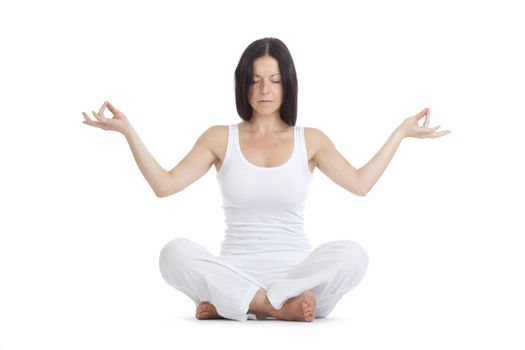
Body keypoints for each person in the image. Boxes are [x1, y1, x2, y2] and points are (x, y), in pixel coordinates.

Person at [82, 37, 450, 322]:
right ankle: (273, 308)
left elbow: (360, 184)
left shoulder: (312, 140)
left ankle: (236, 305)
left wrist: (399, 134)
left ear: (287, 84)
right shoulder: (218, 137)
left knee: (354, 255)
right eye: (255, 81)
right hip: (234, 268)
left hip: (297, 276)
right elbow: (165, 185)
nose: (265, 90)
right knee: (172, 252)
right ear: (243, 85)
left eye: (274, 80)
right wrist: (128, 131)